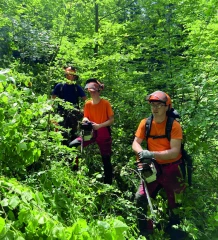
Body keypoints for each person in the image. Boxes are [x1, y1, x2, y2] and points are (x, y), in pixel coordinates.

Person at [132, 90, 186, 237]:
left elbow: (175, 152)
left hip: (172, 168)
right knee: (141, 197)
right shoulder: (145, 123)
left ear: (167, 107)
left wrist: (152, 154)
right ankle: (145, 231)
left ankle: (174, 230)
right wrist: (141, 153)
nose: (155, 108)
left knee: (176, 202)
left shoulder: (174, 126)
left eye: (159, 105)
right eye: (153, 105)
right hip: (153, 167)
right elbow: (136, 143)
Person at [69, 78, 114, 184]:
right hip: (90, 132)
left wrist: (99, 125)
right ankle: (74, 171)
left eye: (93, 90)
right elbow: (85, 117)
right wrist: (86, 121)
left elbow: (111, 120)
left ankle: (108, 184)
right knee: (72, 145)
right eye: (90, 90)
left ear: (99, 91)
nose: (92, 92)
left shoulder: (105, 103)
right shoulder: (88, 104)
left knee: (106, 158)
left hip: (104, 133)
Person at [51, 66, 87, 144]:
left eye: (72, 74)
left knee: (73, 135)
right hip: (61, 114)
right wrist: (50, 113)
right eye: (68, 73)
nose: (70, 76)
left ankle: (73, 154)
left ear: (74, 76)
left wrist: (84, 111)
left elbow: (86, 100)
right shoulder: (59, 86)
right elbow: (52, 100)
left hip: (74, 115)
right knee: (61, 134)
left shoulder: (76, 87)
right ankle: (62, 153)